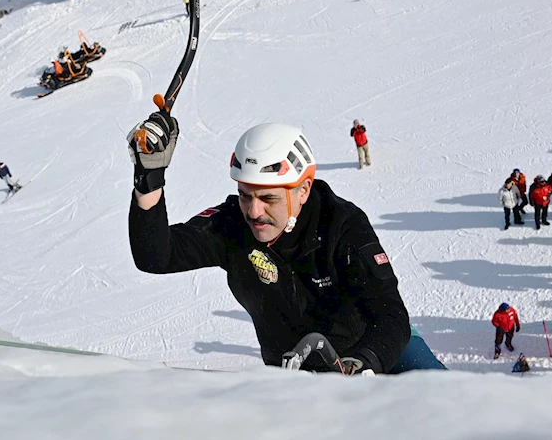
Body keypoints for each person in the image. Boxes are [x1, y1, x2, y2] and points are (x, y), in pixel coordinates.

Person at [126, 116, 445, 375]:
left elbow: (390, 313)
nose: (254, 211)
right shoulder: (232, 226)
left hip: (380, 348)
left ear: (303, 190)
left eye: (269, 198)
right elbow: (156, 256)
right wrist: (149, 179)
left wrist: (365, 363)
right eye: (245, 195)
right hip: (298, 373)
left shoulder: (342, 224)